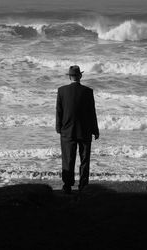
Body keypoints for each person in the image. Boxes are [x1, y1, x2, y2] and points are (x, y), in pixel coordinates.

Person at [56, 65, 99, 194]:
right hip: (85, 130)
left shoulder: (62, 91)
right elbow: (92, 113)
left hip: (67, 131)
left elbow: (59, 111)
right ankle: (83, 185)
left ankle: (67, 185)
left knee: (68, 159)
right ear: (80, 76)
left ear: (69, 77)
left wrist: (58, 127)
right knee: (85, 159)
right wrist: (95, 130)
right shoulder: (87, 91)